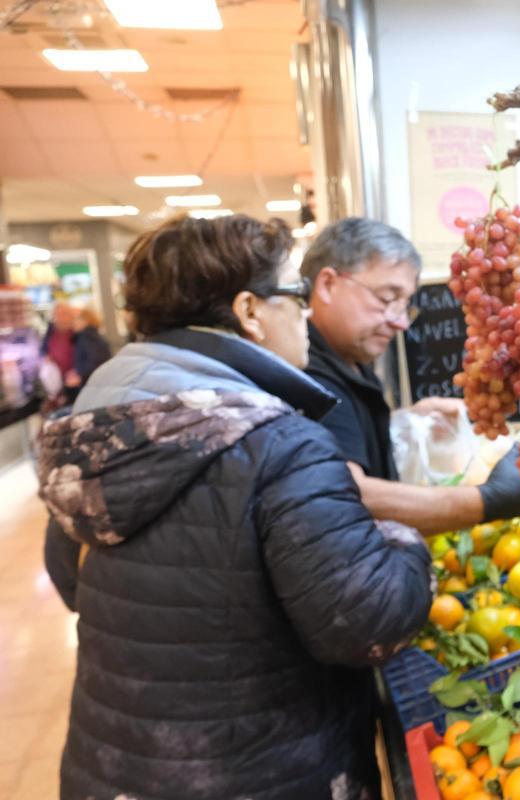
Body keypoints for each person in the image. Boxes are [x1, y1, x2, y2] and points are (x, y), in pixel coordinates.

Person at [37, 213, 433, 800]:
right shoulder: (277, 444)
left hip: (114, 767)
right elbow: (368, 624)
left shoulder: (92, 431)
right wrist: (401, 539)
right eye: (295, 296)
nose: (303, 315)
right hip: (266, 771)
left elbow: (71, 581)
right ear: (250, 311)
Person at [300, 217, 520, 534]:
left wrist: (404, 422)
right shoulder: (309, 376)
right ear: (328, 284)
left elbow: (342, 437)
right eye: (387, 298)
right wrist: (486, 500)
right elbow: (348, 494)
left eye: (405, 306)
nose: (400, 323)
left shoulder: (349, 361)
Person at [40, 302, 76, 407]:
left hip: (73, 379)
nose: (61, 318)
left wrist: (79, 371)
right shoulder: (51, 330)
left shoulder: (77, 332)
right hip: (56, 378)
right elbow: (43, 349)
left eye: (64, 314)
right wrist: (46, 356)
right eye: (57, 314)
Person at [67, 305, 111, 391]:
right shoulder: (88, 336)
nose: (73, 322)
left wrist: (80, 376)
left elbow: (96, 362)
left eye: (77, 318)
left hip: (93, 385)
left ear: (86, 320)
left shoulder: (88, 337)